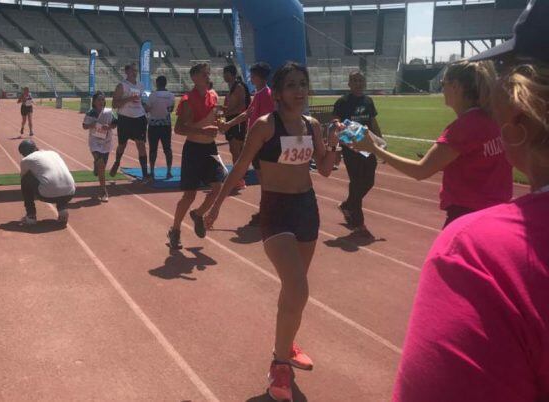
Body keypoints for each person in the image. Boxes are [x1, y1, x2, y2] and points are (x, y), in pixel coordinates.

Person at [393, 2, 549, 400]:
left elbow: (420, 172)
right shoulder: (486, 124)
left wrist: (372, 148)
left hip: (482, 228)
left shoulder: (472, 255)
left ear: (522, 113)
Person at [205, 62, 341, 401]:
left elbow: (323, 169)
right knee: (297, 286)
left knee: (292, 291)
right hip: (277, 211)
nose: (299, 90)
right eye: (292, 84)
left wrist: (334, 143)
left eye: (303, 84)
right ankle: (279, 366)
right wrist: (216, 206)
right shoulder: (265, 126)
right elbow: (239, 166)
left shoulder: (312, 126)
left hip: (306, 209)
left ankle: (287, 343)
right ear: (277, 93)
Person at [354, 60, 513, 226]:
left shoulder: (463, 128)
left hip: (468, 217)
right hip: (497, 215)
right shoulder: (495, 119)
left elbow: (420, 171)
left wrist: (373, 148)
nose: (442, 89)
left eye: (443, 83)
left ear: (456, 86)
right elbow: (481, 160)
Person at [166, 63, 224, 250]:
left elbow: (217, 117)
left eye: (208, 73)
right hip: (193, 149)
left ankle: (198, 214)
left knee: (218, 188)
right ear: (194, 77)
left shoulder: (214, 95)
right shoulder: (187, 100)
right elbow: (178, 129)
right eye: (204, 74)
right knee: (189, 195)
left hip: (210, 149)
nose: (208, 76)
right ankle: (175, 230)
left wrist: (220, 122)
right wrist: (201, 129)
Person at [220, 62, 275, 225]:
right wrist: (229, 124)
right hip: (257, 141)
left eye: (252, 75)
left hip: (262, 142)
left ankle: (267, 212)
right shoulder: (259, 94)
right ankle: (266, 210)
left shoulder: (266, 95)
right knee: (262, 177)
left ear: (258, 77)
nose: (250, 78)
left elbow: (268, 119)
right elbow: (247, 114)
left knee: (265, 178)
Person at [333, 71, 383, 237]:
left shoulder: (368, 101)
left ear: (365, 82)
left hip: (368, 145)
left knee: (369, 181)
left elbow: (373, 122)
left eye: (361, 80)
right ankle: (358, 221)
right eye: (354, 80)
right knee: (356, 181)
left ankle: (348, 205)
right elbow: (335, 120)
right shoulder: (342, 101)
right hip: (351, 146)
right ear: (349, 83)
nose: (358, 83)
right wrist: (338, 124)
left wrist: (381, 142)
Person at [18, 140, 76, 226]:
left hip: (47, 195)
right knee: (59, 180)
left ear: (23, 153)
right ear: (35, 147)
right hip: (70, 193)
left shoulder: (26, 160)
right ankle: (62, 210)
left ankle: (31, 216)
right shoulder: (53, 153)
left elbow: (23, 176)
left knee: (25, 180)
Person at [111, 63, 150, 181]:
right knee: (122, 145)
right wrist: (129, 99)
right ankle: (117, 161)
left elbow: (141, 101)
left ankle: (145, 173)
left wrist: (146, 107)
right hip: (125, 119)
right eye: (133, 70)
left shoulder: (141, 85)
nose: (135, 72)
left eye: (136, 70)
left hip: (139, 118)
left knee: (141, 145)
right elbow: (114, 104)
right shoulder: (122, 86)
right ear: (126, 71)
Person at [82, 91, 117, 202]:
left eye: (103, 99)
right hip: (94, 142)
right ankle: (103, 190)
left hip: (106, 142)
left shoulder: (109, 112)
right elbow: (84, 126)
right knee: (101, 165)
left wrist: (109, 126)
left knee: (101, 165)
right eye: (99, 100)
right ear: (94, 102)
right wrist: (91, 125)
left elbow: (116, 123)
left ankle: (96, 165)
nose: (101, 102)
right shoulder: (90, 113)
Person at [221, 65, 251, 190]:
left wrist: (227, 113)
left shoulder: (238, 87)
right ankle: (239, 177)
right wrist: (222, 111)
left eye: (225, 73)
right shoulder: (231, 88)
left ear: (231, 74)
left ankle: (240, 179)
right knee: (234, 151)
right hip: (231, 120)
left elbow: (243, 107)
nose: (224, 76)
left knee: (236, 150)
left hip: (237, 121)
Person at [145, 75, 175, 179]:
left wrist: (143, 104)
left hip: (154, 125)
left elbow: (147, 109)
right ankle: (169, 171)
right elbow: (171, 109)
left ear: (157, 83)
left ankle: (152, 171)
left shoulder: (152, 95)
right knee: (167, 149)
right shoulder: (171, 95)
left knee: (153, 149)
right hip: (166, 124)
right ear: (165, 83)